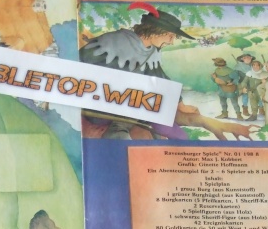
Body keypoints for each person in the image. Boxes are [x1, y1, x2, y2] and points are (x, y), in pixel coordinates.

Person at [80, 8, 196, 139]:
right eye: (170, 36)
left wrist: (181, 105)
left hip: (131, 103)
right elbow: (78, 64)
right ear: (156, 31)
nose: (172, 41)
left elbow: (161, 79)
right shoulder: (113, 41)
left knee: (179, 135)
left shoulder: (152, 52)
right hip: (99, 104)